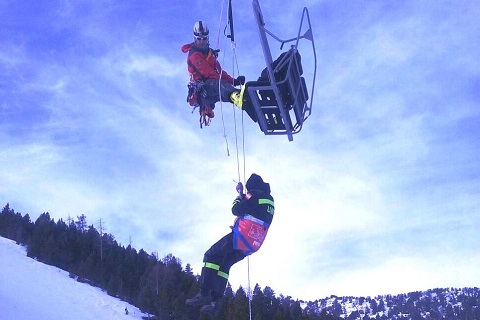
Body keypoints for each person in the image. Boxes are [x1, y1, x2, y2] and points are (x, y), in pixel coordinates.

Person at [186, 173, 275, 313]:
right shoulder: (269, 201)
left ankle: (203, 294)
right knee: (225, 263)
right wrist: (242, 194)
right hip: (253, 244)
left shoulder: (257, 197)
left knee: (210, 255)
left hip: (242, 237)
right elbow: (252, 213)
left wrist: (238, 197)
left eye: (249, 190)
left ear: (253, 188)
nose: (248, 192)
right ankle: (215, 302)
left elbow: (236, 210)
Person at [181, 21, 246, 119]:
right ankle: (236, 95)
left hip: (211, 90)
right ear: (195, 38)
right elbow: (209, 73)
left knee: (224, 92)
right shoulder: (194, 55)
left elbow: (219, 72)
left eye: (204, 39)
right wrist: (226, 84)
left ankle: (245, 101)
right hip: (202, 92)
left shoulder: (209, 54)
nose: (202, 41)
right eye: (199, 39)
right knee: (218, 85)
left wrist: (234, 81)